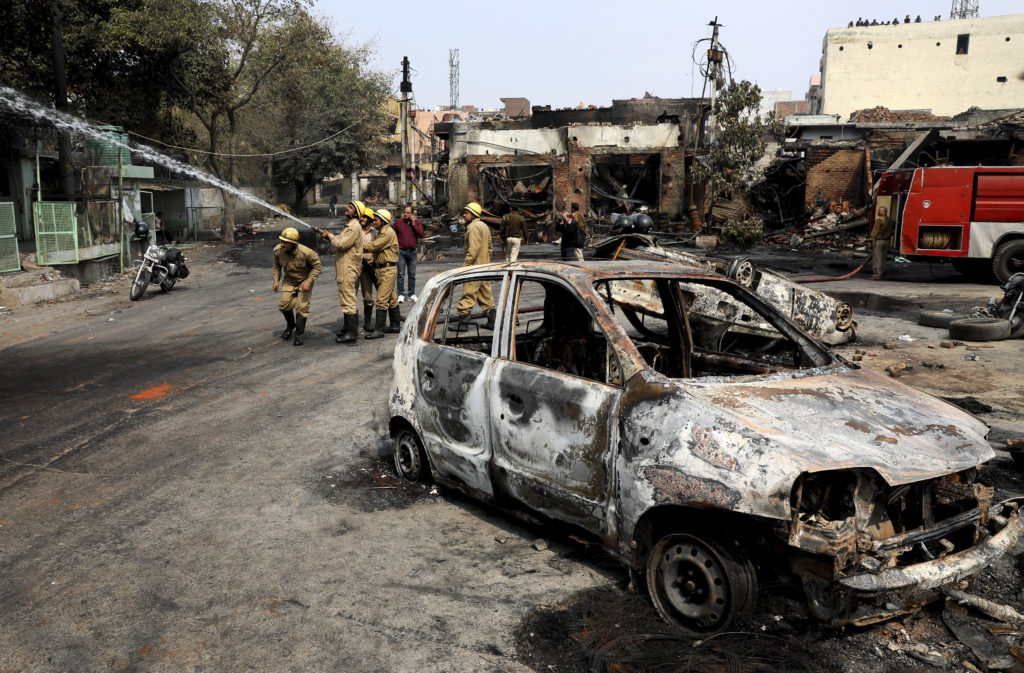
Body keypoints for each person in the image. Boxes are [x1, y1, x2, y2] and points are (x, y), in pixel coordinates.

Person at [319, 200, 364, 343]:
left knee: (348, 300)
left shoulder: (353, 227)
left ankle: (351, 333)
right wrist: (329, 235)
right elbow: (340, 239)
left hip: (348, 269)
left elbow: (341, 243)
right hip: (348, 267)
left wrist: (330, 237)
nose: (347, 208)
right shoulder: (350, 226)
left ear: (356, 213)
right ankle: (347, 328)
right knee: (347, 298)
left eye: (350, 208)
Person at [273, 227, 322, 346]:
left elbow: (317, 266)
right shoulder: (278, 251)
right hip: (289, 281)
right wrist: (276, 281)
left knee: (302, 308)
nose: (282, 244)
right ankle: (291, 326)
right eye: (281, 241)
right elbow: (276, 267)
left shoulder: (307, 253)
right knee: (284, 306)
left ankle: (299, 334)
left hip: (304, 282)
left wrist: (309, 281)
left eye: (285, 242)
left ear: (293, 243)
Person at [456, 202, 496, 329]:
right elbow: (490, 247)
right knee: (485, 295)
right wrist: (486, 261)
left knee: (469, 292)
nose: (464, 215)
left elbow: (473, 249)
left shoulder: (473, 227)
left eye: (466, 213)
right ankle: (492, 321)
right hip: (484, 265)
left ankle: (463, 323)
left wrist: (466, 265)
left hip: (474, 266)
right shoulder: (484, 226)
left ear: (473, 215)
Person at [364, 209, 402, 339]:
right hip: (383, 269)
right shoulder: (383, 232)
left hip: (387, 270)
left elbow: (374, 247)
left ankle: (379, 330)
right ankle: (395, 325)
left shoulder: (387, 233)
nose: (374, 222)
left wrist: (356, 243)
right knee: (391, 298)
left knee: (381, 300)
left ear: (383, 221)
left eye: (376, 220)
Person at [392, 204, 424, 303]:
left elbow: (421, 235)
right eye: (405, 212)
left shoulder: (417, 223)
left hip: (412, 252)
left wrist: (414, 224)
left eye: (408, 213)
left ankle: (411, 294)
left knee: (412, 274)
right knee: (400, 275)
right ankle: (401, 294)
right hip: (401, 251)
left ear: (412, 213)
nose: (405, 214)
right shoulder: (398, 223)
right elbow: (392, 235)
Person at [357, 207, 378, 333]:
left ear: (370, 220)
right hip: (355, 266)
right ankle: (349, 323)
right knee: (350, 295)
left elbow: (377, 249)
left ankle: (368, 323)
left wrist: (373, 264)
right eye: (362, 217)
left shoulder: (375, 234)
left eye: (365, 217)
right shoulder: (356, 231)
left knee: (368, 295)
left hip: (368, 267)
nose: (362, 219)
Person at [869, 205, 893, 280]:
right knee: (883, 258)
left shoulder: (879, 220)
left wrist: (871, 240)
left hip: (879, 241)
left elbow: (875, 231)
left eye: (880, 210)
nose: (878, 212)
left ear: (883, 212)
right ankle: (881, 273)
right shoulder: (890, 220)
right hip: (887, 241)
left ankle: (876, 274)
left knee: (877, 258)